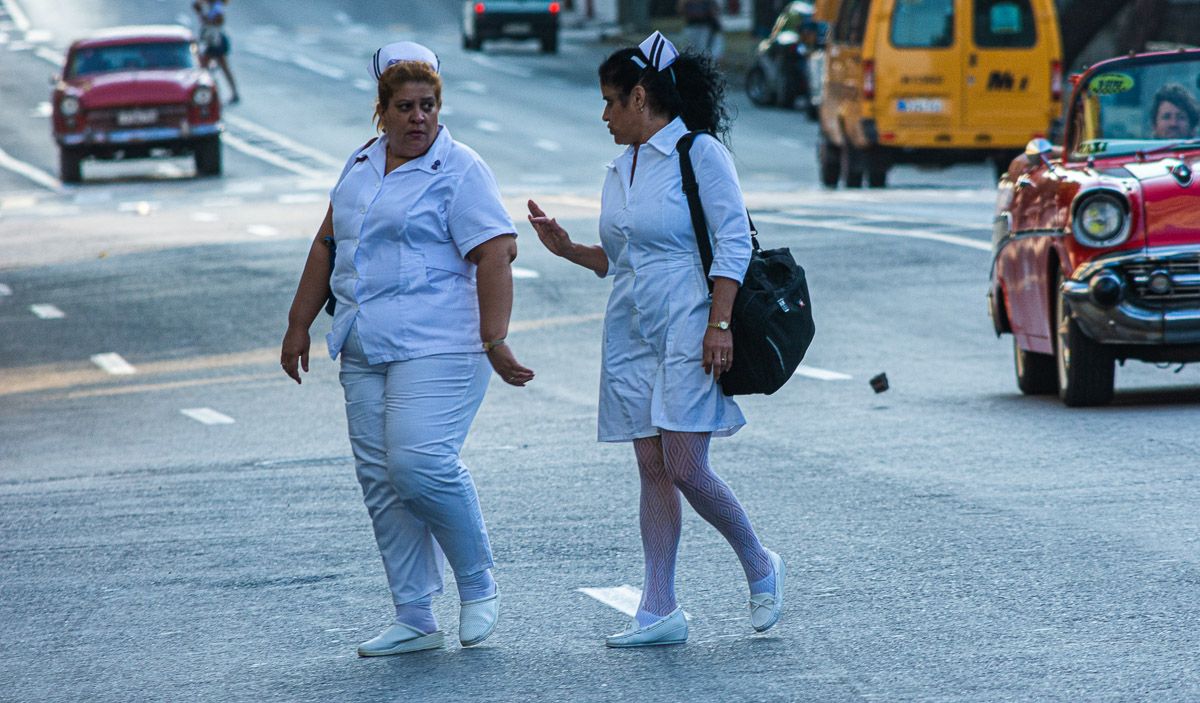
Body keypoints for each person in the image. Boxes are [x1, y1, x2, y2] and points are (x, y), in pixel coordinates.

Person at [526, 32, 783, 648]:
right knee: (651, 465)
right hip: (631, 326)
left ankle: (760, 562)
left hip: (691, 322)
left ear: (641, 97)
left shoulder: (699, 153)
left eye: (612, 101)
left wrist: (720, 323)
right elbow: (619, 257)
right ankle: (658, 608)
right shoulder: (622, 167)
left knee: (687, 464)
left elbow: (733, 242)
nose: (605, 114)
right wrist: (568, 250)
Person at [281, 41, 533, 657]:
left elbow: (495, 250)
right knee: (382, 481)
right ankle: (415, 614)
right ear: (381, 112)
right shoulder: (361, 163)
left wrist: (495, 339)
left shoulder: (461, 168)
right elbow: (325, 244)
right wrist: (298, 324)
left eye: (428, 105)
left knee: (419, 467)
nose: (418, 117)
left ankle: (477, 583)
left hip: (439, 343)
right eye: (405, 106)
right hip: (365, 343)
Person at [192, 0, 240, 104]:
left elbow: (218, 20)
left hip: (216, 41)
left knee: (207, 68)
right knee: (207, 68)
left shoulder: (216, 6)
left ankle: (207, 94)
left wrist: (203, 15)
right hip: (212, 41)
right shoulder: (210, 6)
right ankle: (230, 92)